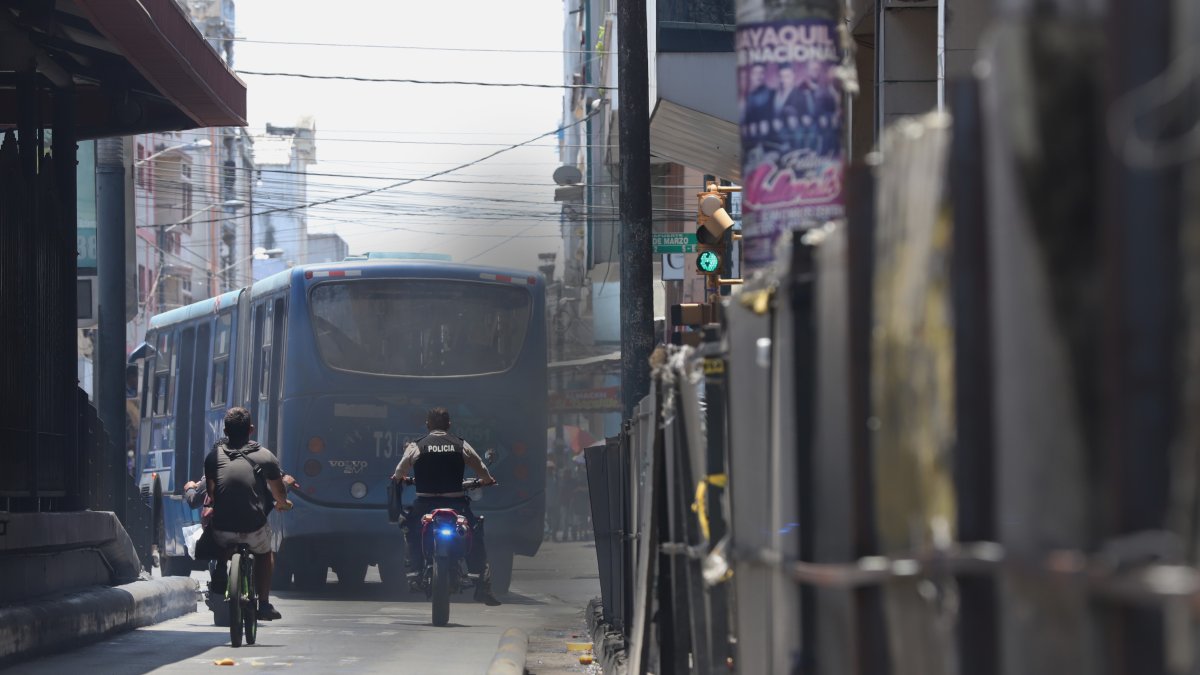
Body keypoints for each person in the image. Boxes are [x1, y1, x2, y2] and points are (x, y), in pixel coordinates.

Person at [392, 407, 502, 606]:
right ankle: (483, 586)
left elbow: (399, 472)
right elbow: (481, 467)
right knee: (475, 532)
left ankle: (414, 575)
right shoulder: (460, 445)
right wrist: (487, 480)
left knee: (410, 529)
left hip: (425, 504)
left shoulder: (417, 446)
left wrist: (400, 479)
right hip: (456, 504)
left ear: (427, 425)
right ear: (449, 425)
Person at [205, 407, 293, 621]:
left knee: (221, 534)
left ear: (224, 430)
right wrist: (283, 503)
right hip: (253, 526)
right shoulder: (266, 457)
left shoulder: (212, 457)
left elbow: (211, 494)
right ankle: (263, 604)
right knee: (264, 553)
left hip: (222, 528)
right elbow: (278, 493)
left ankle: (221, 568)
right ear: (251, 430)